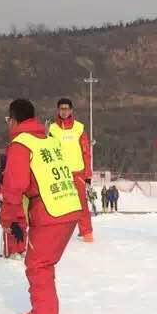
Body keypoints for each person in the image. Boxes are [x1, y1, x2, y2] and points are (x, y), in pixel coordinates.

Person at [1, 97, 82, 314]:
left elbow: (14, 187)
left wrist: (11, 220)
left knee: (38, 265)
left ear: (13, 120)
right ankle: (42, 309)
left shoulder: (21, 144)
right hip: (68, 206)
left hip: (49, 211)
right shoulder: (47, 139)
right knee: (44, 263)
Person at [49, 98, 94, 242]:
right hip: (60, 173)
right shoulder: (52, 129)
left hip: (77, 172)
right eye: (61, 109)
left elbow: (86, 152)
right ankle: (60, 232)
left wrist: (88, 174)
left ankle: (86, 232)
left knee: (81, 203)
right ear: (58, 110)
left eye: (67, 109)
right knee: (60, 204)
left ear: (71, 110)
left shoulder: (79, 128)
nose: (64, 111)